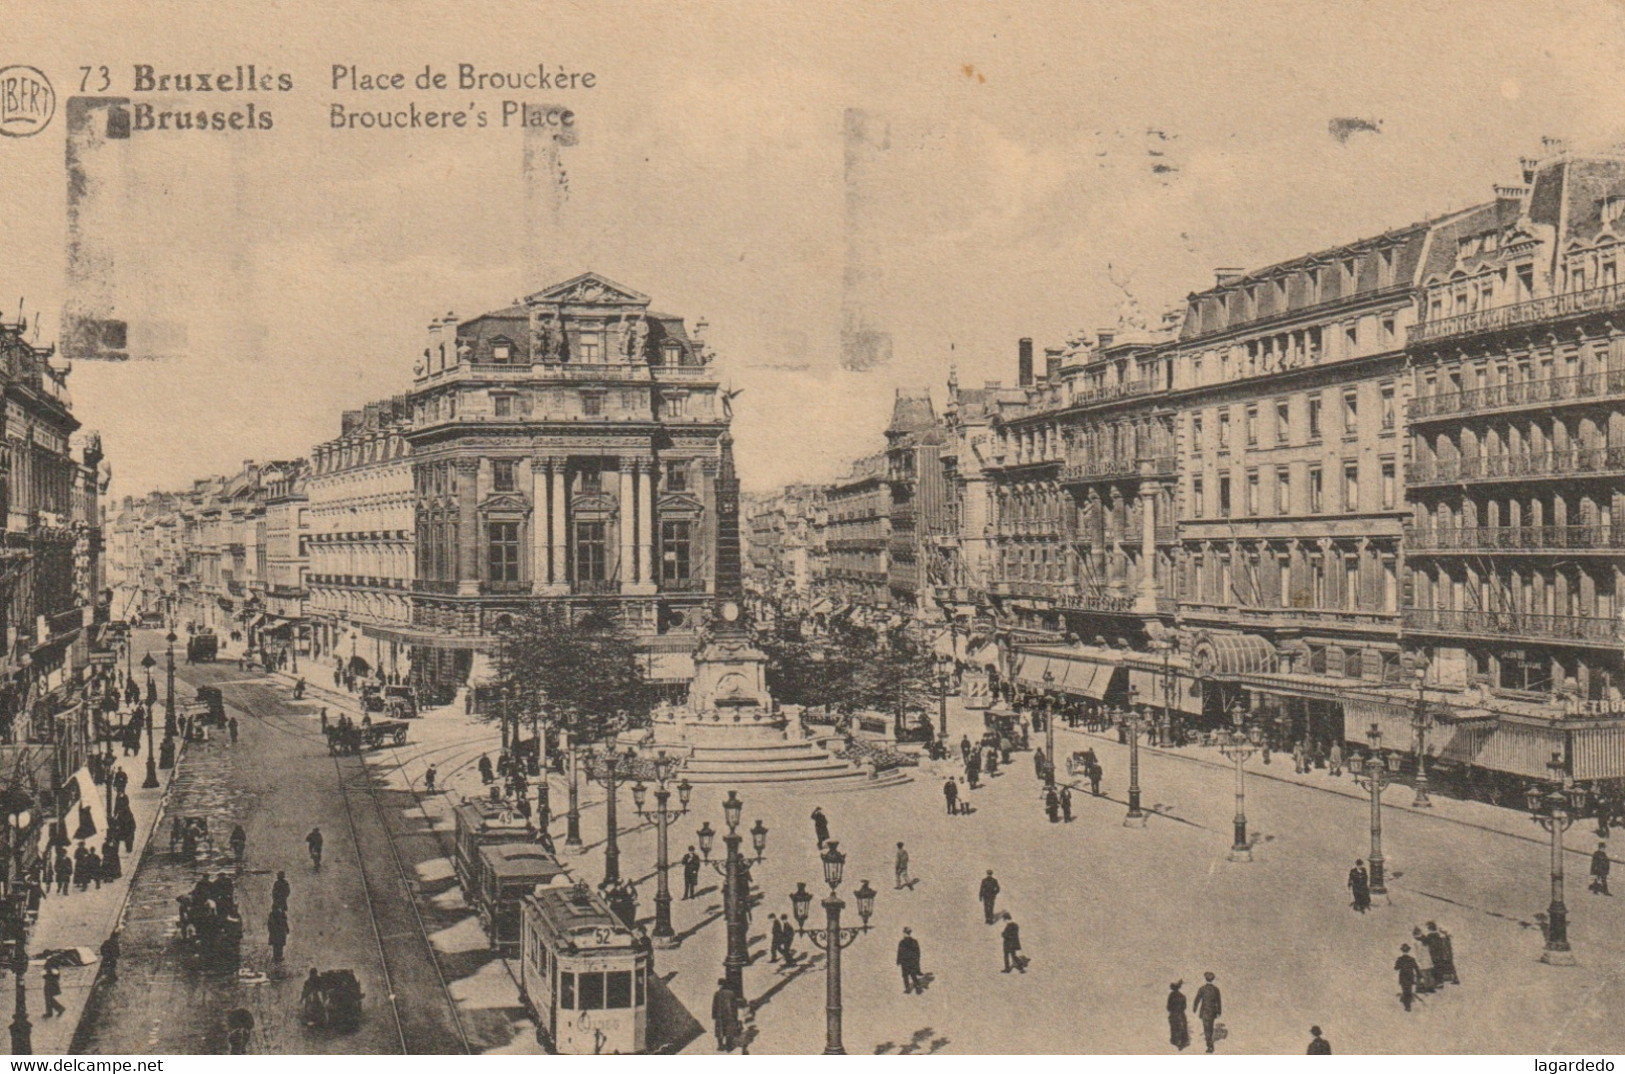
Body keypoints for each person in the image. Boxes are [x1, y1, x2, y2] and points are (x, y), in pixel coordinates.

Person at [1193, 972, 1222, 1053]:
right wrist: (1219, 1011)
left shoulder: (1202, 989)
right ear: (1213, 979)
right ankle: (1210, 1043)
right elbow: (1218, 1001)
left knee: (1206, 1028)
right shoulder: (1216, 989)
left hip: (1205, 1011)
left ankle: (1209, 1045)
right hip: (1213, 1012)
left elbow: (1197, 1000)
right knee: (1210, 1027)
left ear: (1205, 979)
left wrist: (1194, 1008)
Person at [711, 978, 741, 1052]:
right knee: (729, 1030)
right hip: (729, 1014)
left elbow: (714, 1005)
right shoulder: (731, 993)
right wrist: (735, 1015)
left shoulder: (717, 994)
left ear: (720, 985)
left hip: (719, 1015)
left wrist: (714, 1015)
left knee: (719, 1030)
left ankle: (720, 1045)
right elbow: (734, 1006)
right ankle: (729, 1046)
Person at [1394, 943, 1422, 1012]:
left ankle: (1406, 1005)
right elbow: (1416, 968)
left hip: (1403, 977)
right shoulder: (1412, 959)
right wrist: (1419, 975)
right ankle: (1408, 1005)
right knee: (1409, 991)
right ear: (1408, 951)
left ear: (1402, 951)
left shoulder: (1400, 959)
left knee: (1404, 990)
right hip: (1410, 977)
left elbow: (1396, 968)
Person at [896, 927, 923, 993]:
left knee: (906, 976)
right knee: (912, 975)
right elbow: (917, 953)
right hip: (910, 961)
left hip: (906, 961)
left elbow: (900, 952)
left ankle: (909, 989)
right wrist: (916, 960)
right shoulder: (914, 941)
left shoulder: (902, 942)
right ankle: (917, 988)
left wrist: (898, 960)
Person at [1167, 981, 1191, 1051]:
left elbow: (1168, 1007)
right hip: (1181, 1014)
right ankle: (1182, 1042)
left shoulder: (1171, 995)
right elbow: (1184, 1007)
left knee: (1174, 1028)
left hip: (1173, 1014)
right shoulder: (1182, 996)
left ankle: (1176, 1042)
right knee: (1182, 1028)